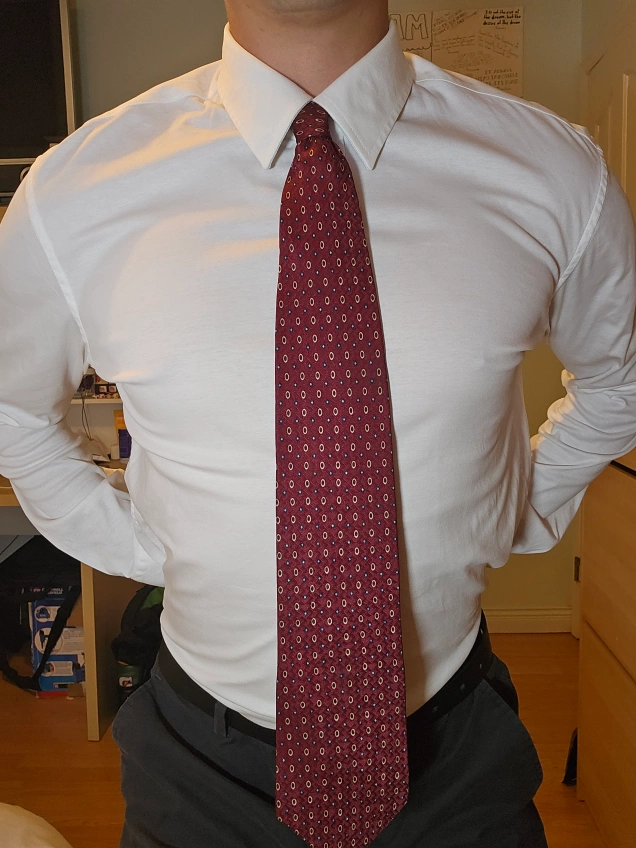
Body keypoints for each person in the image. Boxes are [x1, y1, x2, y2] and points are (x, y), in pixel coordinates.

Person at [1, 0, 635, 845]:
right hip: (197, 768)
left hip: (458, 758)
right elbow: (11, 408)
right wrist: (143, 548)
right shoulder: (73, 192)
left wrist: (513, 509)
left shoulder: (553, 169)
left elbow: (620, 378)